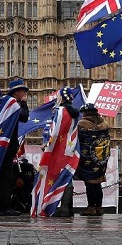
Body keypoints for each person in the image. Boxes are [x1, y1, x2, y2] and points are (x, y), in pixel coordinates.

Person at [33, 87, 80, 217]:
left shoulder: (61, 111)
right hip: (70, 149)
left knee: (55, 175)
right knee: (67, 175)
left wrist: (47, 145)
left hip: (59, 149)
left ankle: (63, 208)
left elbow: (55, 131)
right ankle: (68, 208)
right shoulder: (75, 114)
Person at [0, 77, 30, 216]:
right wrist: (24, 104)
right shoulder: (12, 103)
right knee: (6, 177)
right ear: (16, 92)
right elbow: (24, 117)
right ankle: (4, 207)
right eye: (23, 92)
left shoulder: (1, 102)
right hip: (6, 145)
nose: (24, 95)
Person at [74, 103, 110, 217]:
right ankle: (99, 207)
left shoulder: (82, 123)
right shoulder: (104, 123)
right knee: (98, 184)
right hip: (100, 159)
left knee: (89, 183)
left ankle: (91, 208)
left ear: (85, 113)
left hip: (88, 158)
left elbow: (77, 139)